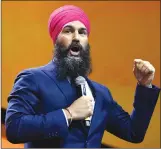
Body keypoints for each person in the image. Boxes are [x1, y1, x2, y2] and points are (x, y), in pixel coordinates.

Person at [5, 5, 160, 148]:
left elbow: (133, 132)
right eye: (68, 30)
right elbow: (14, 129)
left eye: (82, 32)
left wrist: (145, 85)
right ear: (55, 39)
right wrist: (68, 114)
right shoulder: (33, 79)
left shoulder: (101, 93)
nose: (76, 37)